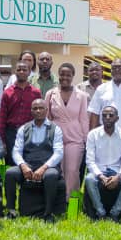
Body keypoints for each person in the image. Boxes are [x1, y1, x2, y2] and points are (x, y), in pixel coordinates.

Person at [4, 98, 64, 221]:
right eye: (35, 108)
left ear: (46, 110)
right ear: (31, 111)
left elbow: (58, 153)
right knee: (10, 173)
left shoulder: (55, 129)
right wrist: (23, 165)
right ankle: (11, 210)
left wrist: (44, 168)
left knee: (51, 175)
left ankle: (48, 213)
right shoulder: (23, 129)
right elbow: (16, 151)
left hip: (48, 166)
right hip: (28, 165)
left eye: (41, 108)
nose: (38, 111)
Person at [45, 62, 90, 199]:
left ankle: (71, 201)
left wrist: (86, 140)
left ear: (73, 76)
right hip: (55, 138)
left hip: (75, 138)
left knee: (72, 170)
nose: (65, 77)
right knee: (57, 170)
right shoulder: (50, 94)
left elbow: (84, 119)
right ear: (58, 75)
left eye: (68, 75)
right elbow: (47, 117)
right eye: (62, 74)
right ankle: (58, 200)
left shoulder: (82, 95)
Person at [84, 106, 121, 221]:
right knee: (89, 179)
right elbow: (90, 160)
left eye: (111, 115)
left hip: (117, 171)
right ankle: (100, 212)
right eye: (104, 115)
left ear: (117, 118)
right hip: (99, 171)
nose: (107, 118)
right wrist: (101, 176)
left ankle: (115, 212)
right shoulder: (93, 134)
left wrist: (119, 176)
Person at [0, 61, 42, 163]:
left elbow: (40, 115)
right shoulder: (7, 93)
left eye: (24, 70)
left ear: (29, 72)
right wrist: (2, 140)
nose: (21, 72)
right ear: (15, 72)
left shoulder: (36, 92)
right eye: (19, 70)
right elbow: (2, 117)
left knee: (29, 162)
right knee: (12, 162)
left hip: (30, 133)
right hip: (11, 133)